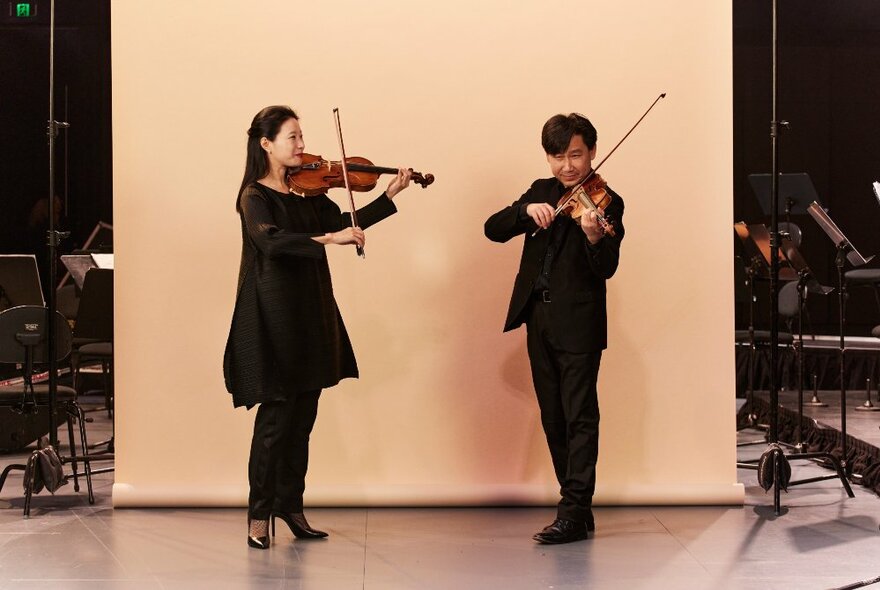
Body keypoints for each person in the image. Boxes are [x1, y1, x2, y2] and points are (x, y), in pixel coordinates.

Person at [223, 105, 412, 549]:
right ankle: (258, 514)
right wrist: (328, 240)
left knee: (303, 418)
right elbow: (270, 241)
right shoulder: (255, 197)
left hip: (311, 311)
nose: (303, 146)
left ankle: (291, 506)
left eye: (302, 136)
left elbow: (346, 223)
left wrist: (391, 195)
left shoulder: (307, 193)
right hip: (273, 316)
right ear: (266, 144)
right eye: (293, 137)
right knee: (275, 421)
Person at [484, 113, 625, 544]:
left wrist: (594, 239)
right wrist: (525, 210)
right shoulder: (542, 192)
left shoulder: (607, 201)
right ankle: (578, 508)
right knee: (553, 416)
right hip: (538, 319)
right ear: (549, 158)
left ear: (592, 153)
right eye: (558, 156)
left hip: (579, 323)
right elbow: (493, 228)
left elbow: (607, 268)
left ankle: (573, 509)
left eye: (576, 155)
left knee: (581, 416)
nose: (568, 166)